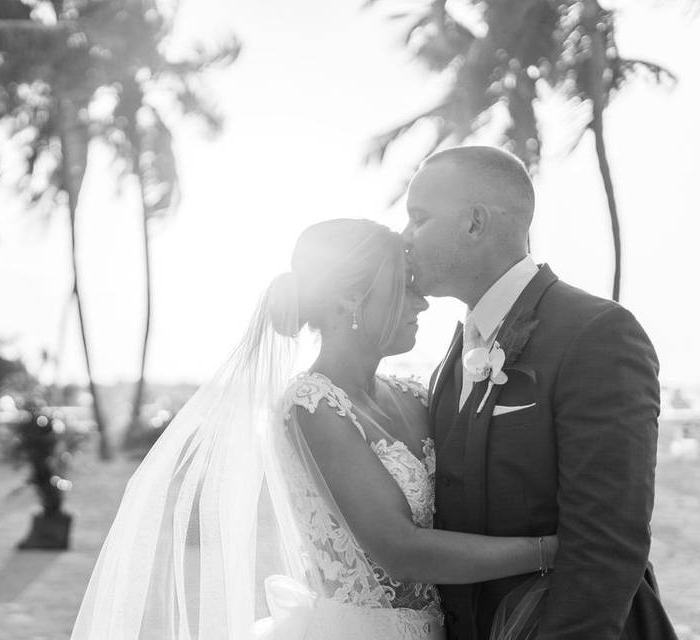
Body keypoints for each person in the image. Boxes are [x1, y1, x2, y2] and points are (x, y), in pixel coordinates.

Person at [71, 218, 557, 640]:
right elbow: (400, 551)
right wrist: (549, 551)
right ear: (350, 299)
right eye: (404, 285)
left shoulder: (417, 395)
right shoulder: (312, 407)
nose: (422, 302)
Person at [402, 145, 677, 640]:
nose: (405, 238)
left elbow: (606, 542)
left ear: (474, 223)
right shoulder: (456, 349)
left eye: (418, 218)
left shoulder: (596, 333)